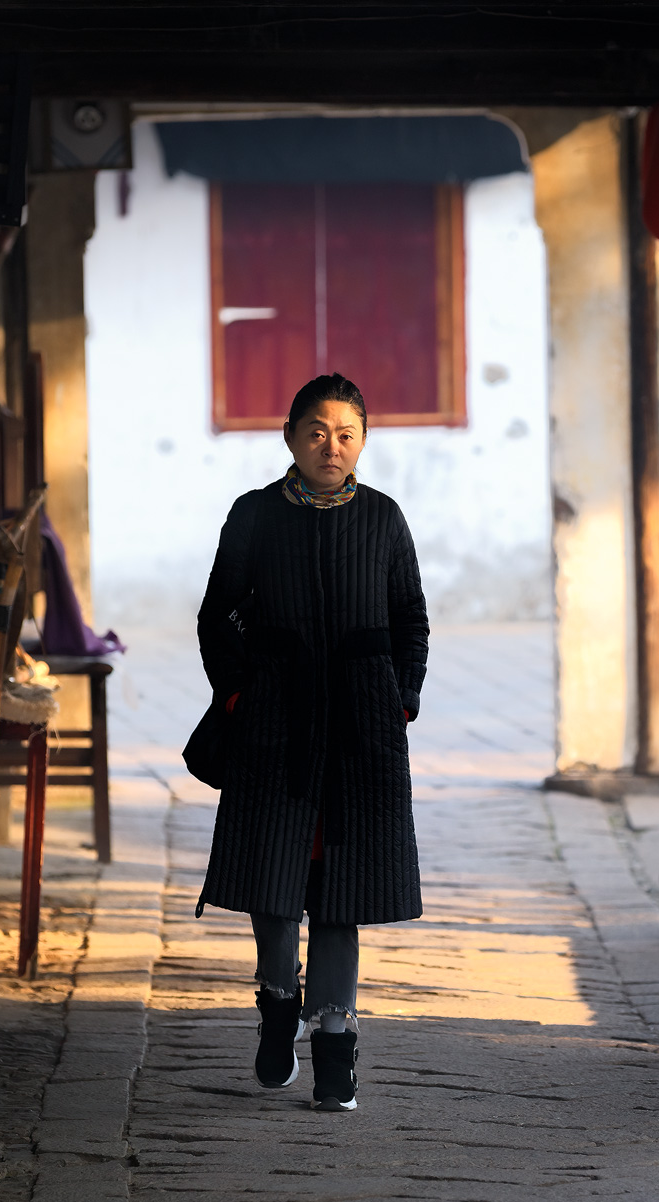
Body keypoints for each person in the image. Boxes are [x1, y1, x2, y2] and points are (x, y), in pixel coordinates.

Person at [194, 373, 429, 1112]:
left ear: (363, 442)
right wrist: (240, 693)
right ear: (291, 437)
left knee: (340, 889)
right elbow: (216, 614)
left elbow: (411, 617)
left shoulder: (384, 518)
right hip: (276, 723)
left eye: (347, 434)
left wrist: (400, 698)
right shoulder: (255, 514)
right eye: (318, 432)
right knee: (272, 880)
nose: (333, 446)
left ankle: (335, 1044)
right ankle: (276, 1001)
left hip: (361, 729)